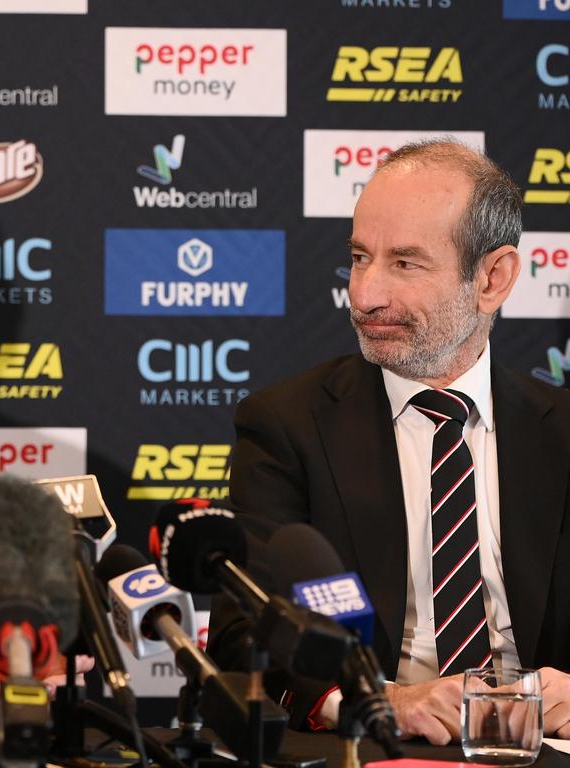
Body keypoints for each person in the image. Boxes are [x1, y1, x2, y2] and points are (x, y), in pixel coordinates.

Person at [207, 139, 570, 746]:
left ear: (494, 277)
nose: (366, 294)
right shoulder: (286, 425)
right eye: (358, 257)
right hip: (380, 748)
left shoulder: (561, 432)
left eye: (406, 263)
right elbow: (243, 636)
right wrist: (378, 701)